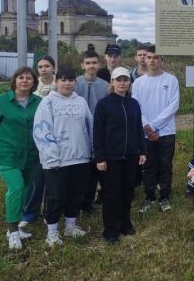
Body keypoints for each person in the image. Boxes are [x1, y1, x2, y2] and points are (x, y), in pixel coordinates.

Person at [0, 66, 42, 250]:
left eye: (29, 78)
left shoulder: (39, 102)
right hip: (7, 154)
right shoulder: (1, 102)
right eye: (21, 77)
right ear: (15, 80)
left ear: (34, 82)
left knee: (25, 189)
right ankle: (13, 231)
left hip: (31, 155)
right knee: (16, 187)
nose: (24, 80)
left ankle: (15, 227)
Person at [33, 67, 93, 247]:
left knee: (75, 194)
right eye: (63, 80)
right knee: (56, 196)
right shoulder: (47, 103)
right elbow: (41, 131)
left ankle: (70, 226)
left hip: (81, 158)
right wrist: (51, 157)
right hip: (57, 161)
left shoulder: (81, 102)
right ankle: (52, 232)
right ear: (56, 82)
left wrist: (92, 152)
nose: (67, 83)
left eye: (71, 80)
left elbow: (90, 126)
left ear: (75, 82)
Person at [93, 67, 147, 245]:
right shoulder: (104, 104)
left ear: (129, 82)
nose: (122, 83)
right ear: (112, 82)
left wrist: (142, 151)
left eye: (125, 79)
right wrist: (100, 158)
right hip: (111, 157)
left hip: (131, 156)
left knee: (127, 192)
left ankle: (125, 223)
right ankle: (111, 230)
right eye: (119, 80)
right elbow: (98, 133)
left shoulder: (133, 104)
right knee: (112, 194)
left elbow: (138, 129)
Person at [132, 46, 180, 213]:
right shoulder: (138, 83)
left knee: (165, 166)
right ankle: (150, 196)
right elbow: (136, 107)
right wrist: (147, 128)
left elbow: (173, 106)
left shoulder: (171, 80)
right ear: (144, 59)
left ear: (161, 60)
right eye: (149, 57)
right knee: (148, 166)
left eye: (156, 57)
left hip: (166, 132)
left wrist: (153, 126)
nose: (152, 60)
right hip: (145, 132)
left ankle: (165, 196)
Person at [20, 55, 57, 227]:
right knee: (36, 179)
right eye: (40, 66)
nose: (44, 69)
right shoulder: (33, 89)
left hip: (56, 137)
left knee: (53, 178)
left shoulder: (61, 84)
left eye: (47, 66)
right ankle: (30, 213)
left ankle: (51, 211)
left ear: (53, 68)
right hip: (37, 138)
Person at [75, 50, 109, 214]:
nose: (91, 66)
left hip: (98, 130)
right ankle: (77, 200)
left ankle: (89, 201)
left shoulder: (105, 85)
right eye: (88, 63)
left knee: (95, 167)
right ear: (82, 65)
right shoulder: (74, 83)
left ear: (99, 64)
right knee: (80, 168)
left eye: (94, 63)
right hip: (78, 131)